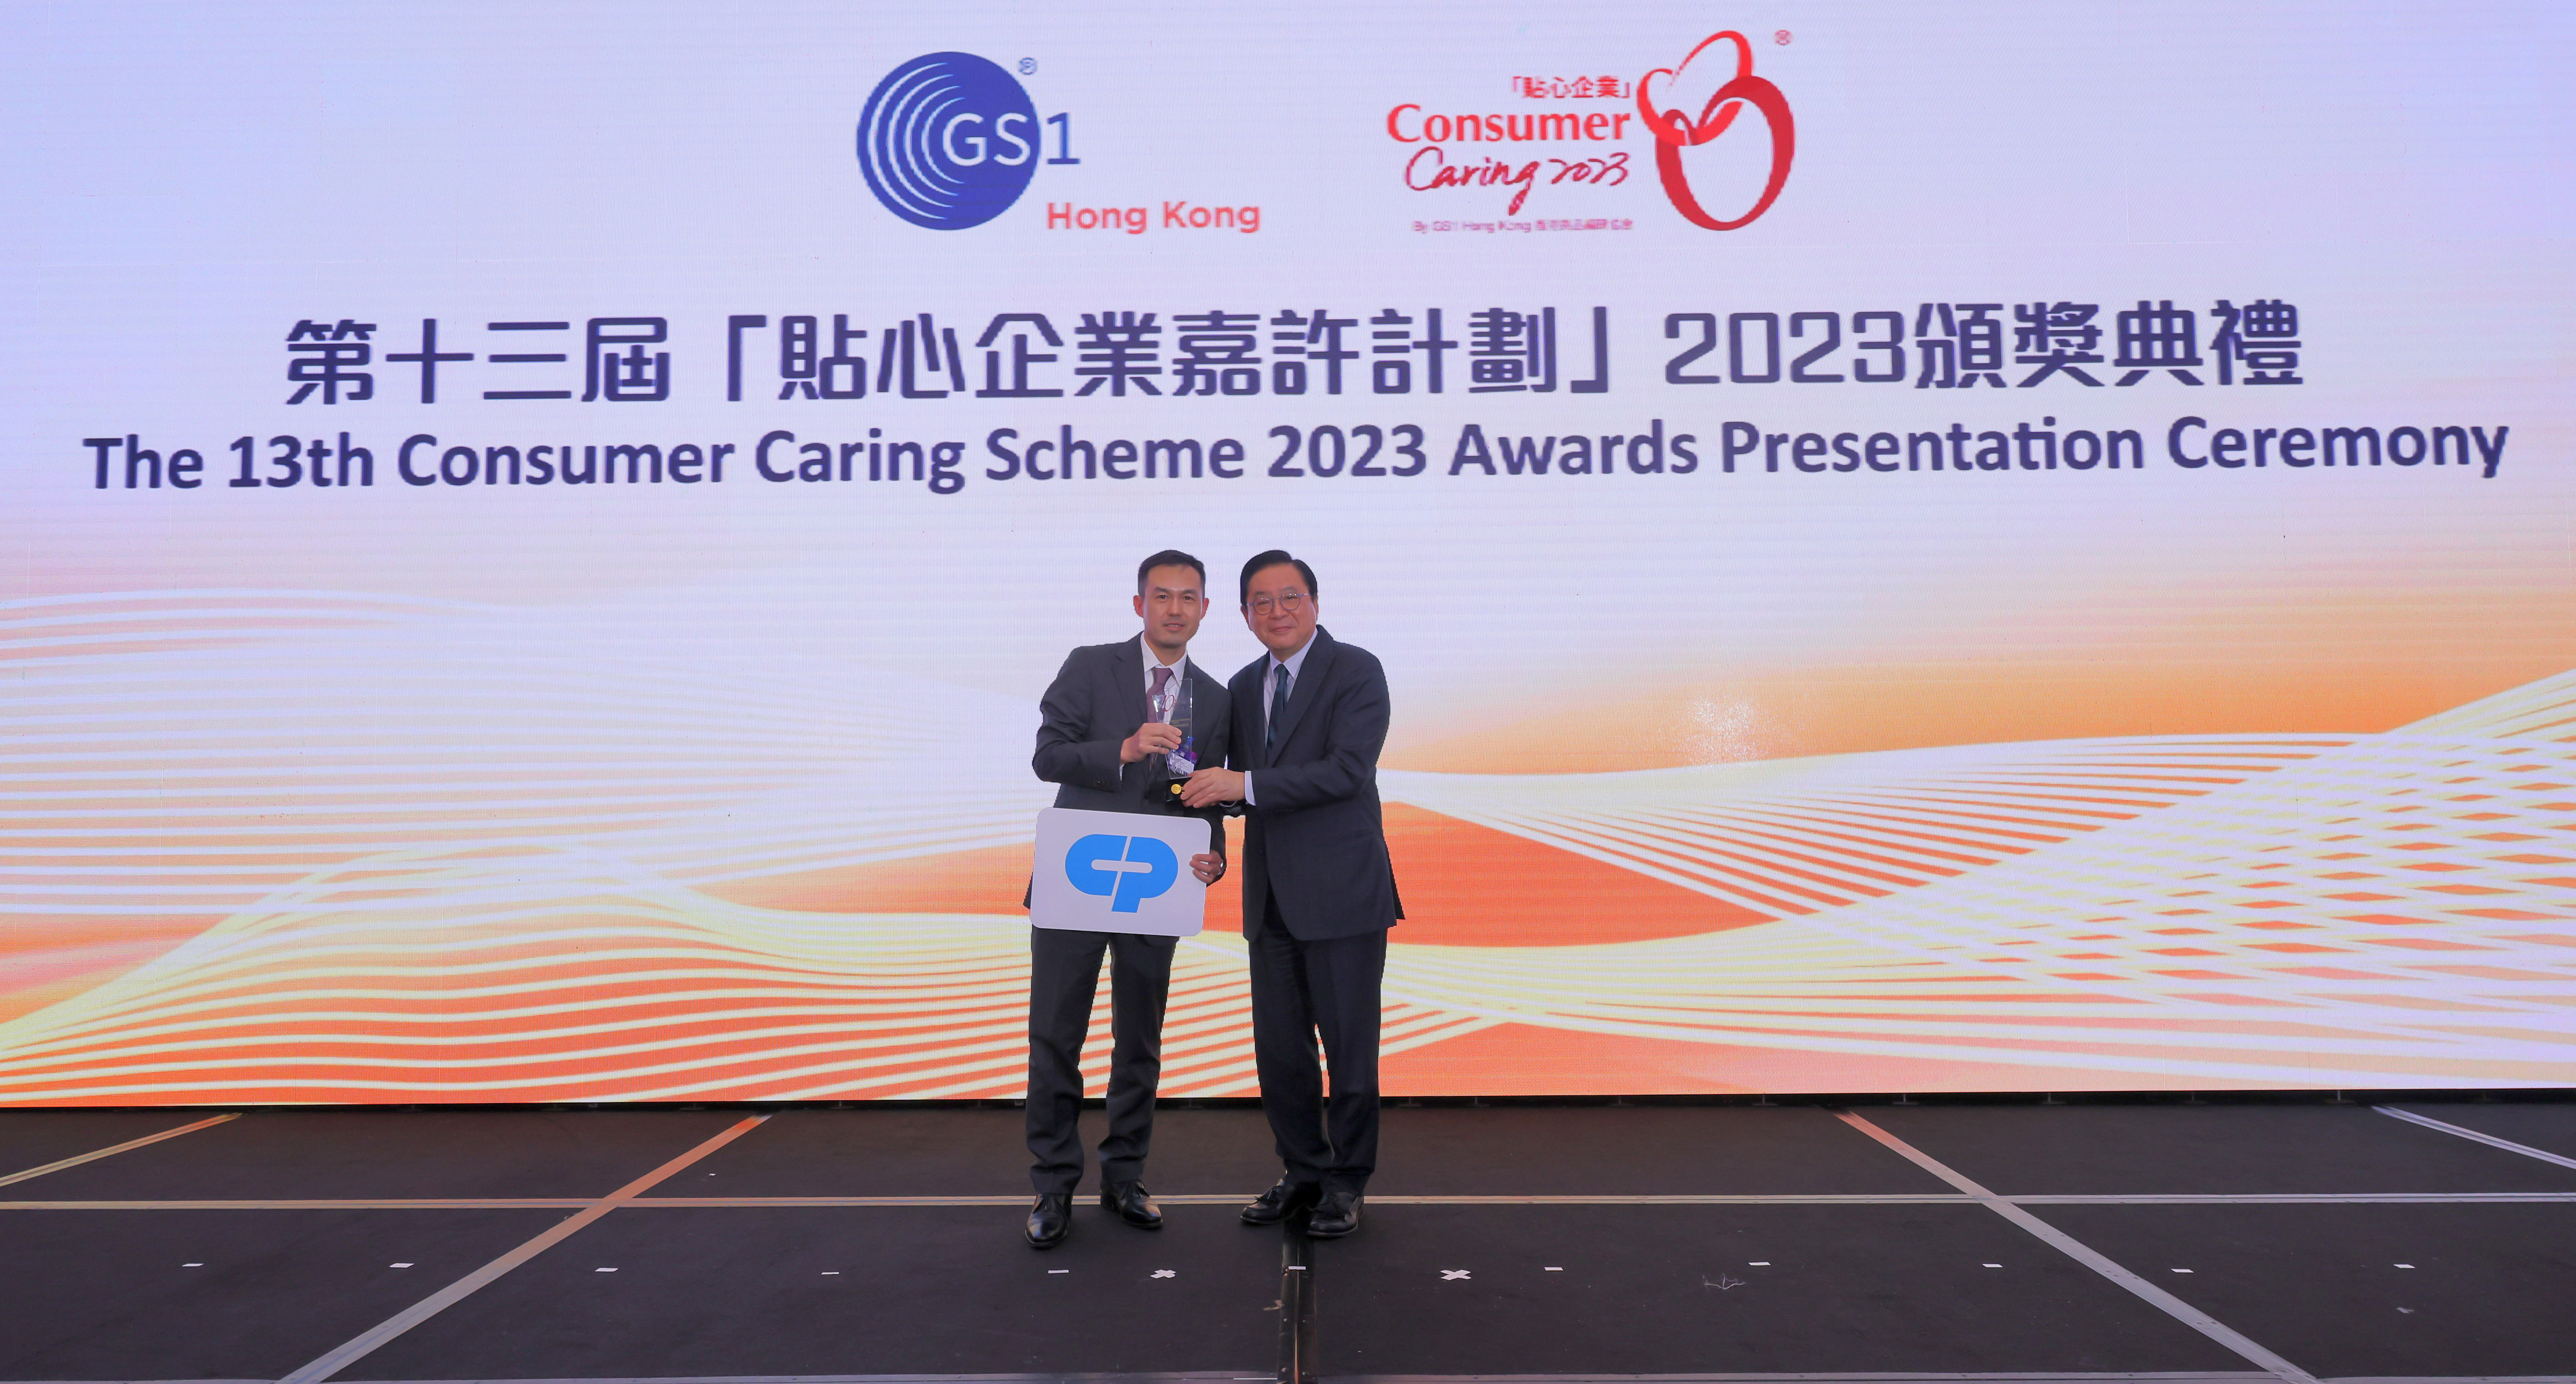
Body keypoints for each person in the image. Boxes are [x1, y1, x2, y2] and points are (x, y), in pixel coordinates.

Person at [1180, 550, 1398, 1239]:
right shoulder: (1243, 685)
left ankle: (1347, 1182)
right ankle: (1303, 1170)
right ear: (1245, 615)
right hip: (1270, 897)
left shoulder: (1356, 670)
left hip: (1343, 894)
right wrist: (1205, 829)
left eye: (1290, 597)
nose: (1277, 611)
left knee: (1349, 1050)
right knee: (1280, 1052)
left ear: (1315, 602)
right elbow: (1226, 786)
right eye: (1262, 602)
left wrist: (1240, 784)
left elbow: (1345, 771)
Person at [1023, 550, 1231, 1249]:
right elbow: (1049, 755)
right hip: (1075, 877)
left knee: (1139, 1038)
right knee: (1056, 1034)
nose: (1175, 608)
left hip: (1157, 887)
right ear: (1139, 604)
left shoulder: (1216, 696)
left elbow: (1209, 799)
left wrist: (1214, 857)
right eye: (1162, 595)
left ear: (1205, 609)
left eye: (1189, 597)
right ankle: (1054, 1184)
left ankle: (1125, 1177)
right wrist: (1124, 746)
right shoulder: (1091, 666)